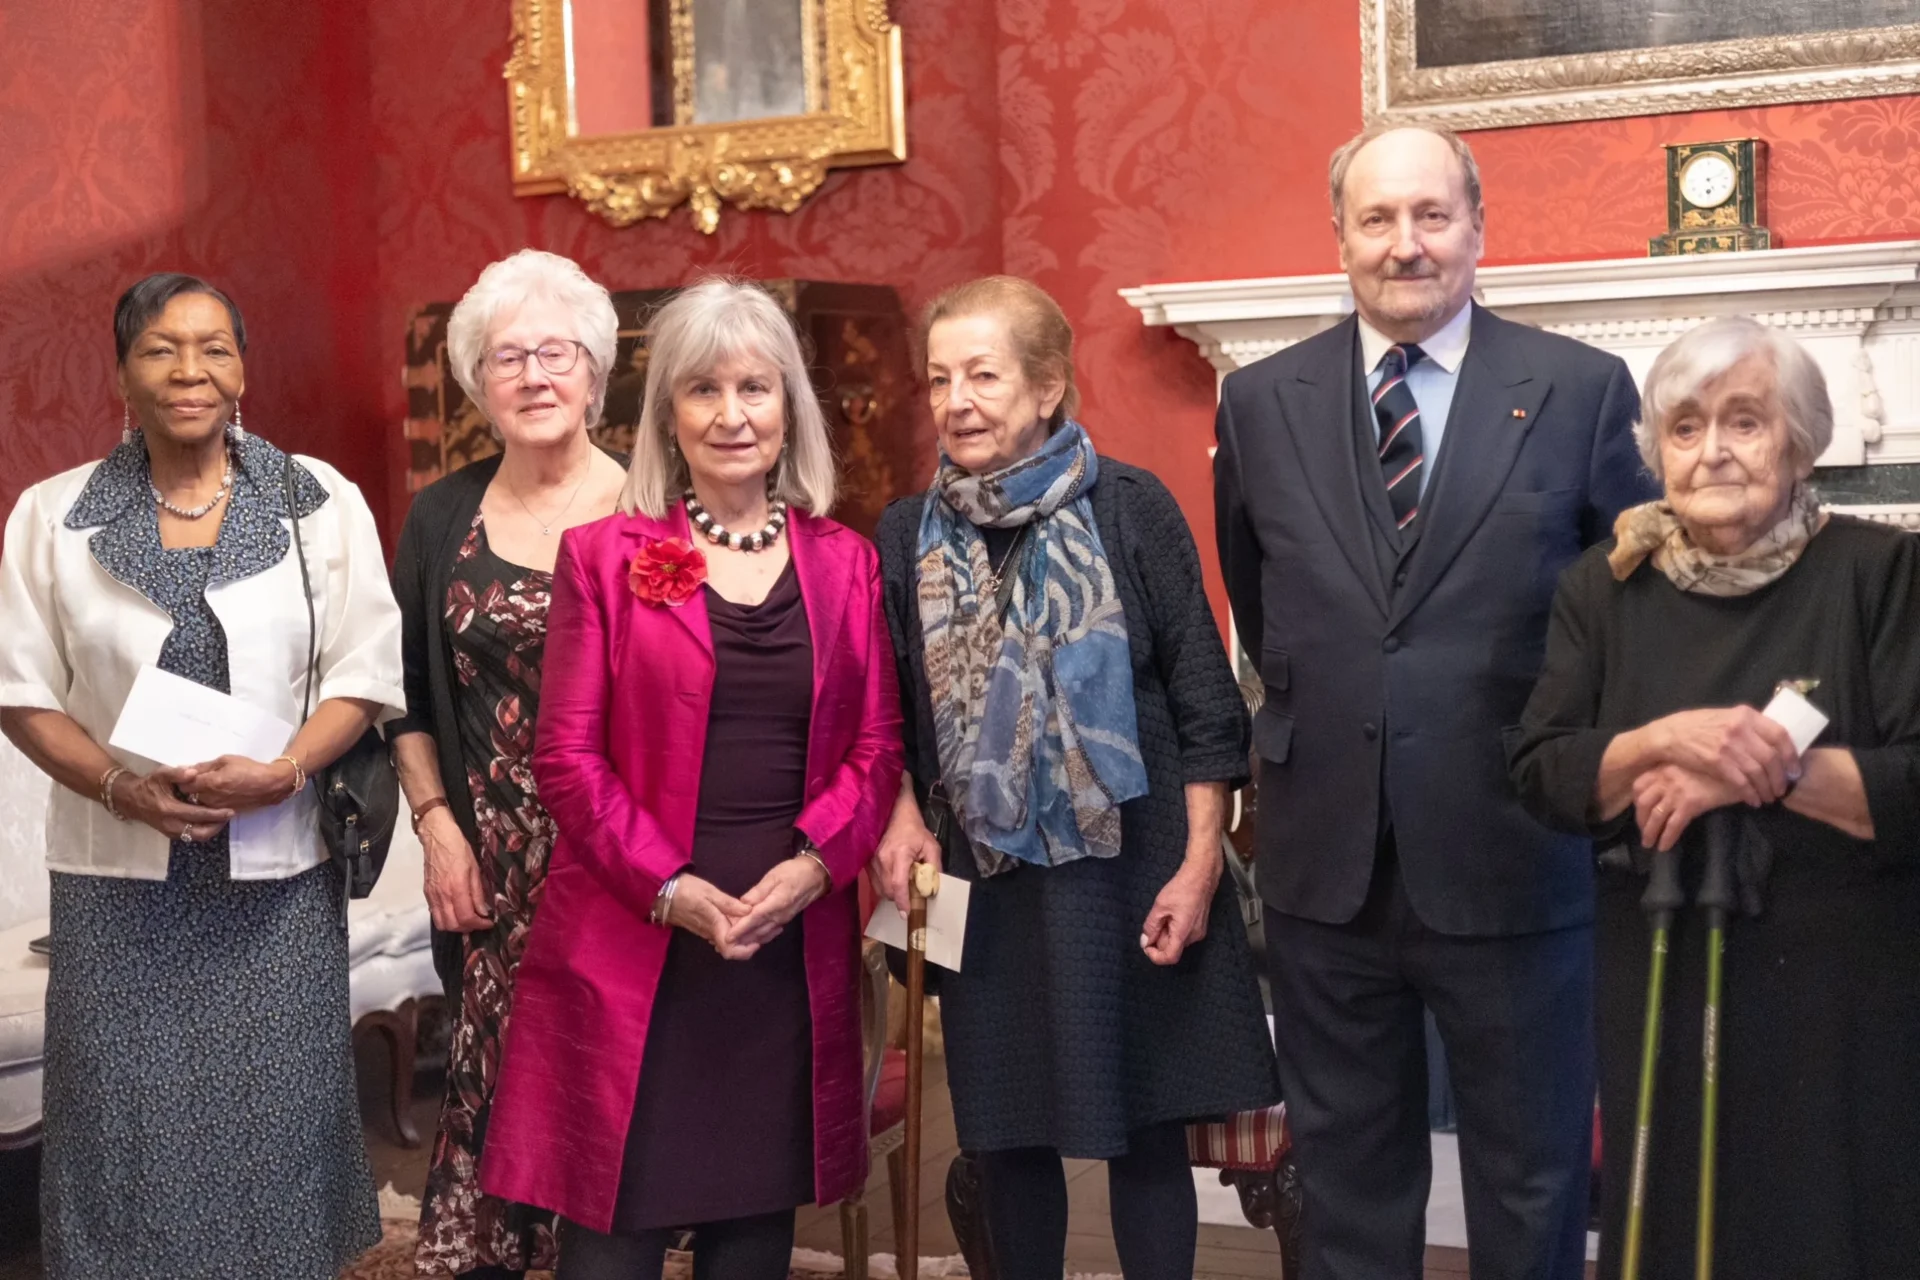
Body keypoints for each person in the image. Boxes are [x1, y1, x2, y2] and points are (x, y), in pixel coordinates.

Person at [1213, 124, 1658, 1279]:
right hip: (1326, 863)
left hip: (1514, 847)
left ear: (1476, 226)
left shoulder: (1578, 390)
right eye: (1376, 218)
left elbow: (1628, 617)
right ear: (1340, 236)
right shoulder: (1257, 401)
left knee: (1532, 1174)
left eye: (1430, 216)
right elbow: (1267, 615)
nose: (1404, 245)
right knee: (1349, 1177)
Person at [479, 278, 904, 1280]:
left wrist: (814, 869)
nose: (732, 413)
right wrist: (670, 888)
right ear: (666, 411)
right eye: (703, 389)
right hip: (640, 930)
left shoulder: (846, 560)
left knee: (750, 1228)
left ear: (789, 404)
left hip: (784, 941)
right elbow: (566, 758)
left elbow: (878, 744)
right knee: (612, 1235)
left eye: (755, 386)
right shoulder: (602, 555)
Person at [872, 275, 1279, 1280]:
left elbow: (1202, 701)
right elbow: (887, 716)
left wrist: (1198, 867)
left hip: (1134, 867)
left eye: (982, 374)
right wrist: (901, 820)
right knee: (1005, 1132)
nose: (956, 399)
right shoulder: (902, 533)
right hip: (983, 873)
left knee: (1146, 1127)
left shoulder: (1130, 505)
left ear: (1047, 386)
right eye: (938, 378)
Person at [0, 273, 403, 1277]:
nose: (191, 370)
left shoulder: (319, 503)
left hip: (276, 871)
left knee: (273, 1111)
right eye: (161, 348)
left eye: (215, 346)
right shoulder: (52, 517)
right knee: (120, 1124)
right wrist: (120, 790)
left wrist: (286, 770)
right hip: (115, 878)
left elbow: (364, 667)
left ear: (243, 369)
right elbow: (19, 687)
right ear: (123, 374)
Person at [1510, 316, 1920, 1280]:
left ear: (1802, 440)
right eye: (1686, 428)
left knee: (1840, 1216)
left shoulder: (1880, 573)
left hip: (1842, 982)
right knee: (1676, 1213)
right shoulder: (1603, 591)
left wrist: (1743, 770)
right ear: (1657, 453)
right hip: (1659, 953)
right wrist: (1664, 741)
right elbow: (1542, 769)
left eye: (1746, 421)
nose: (1715, 451)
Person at [393, 250, 630, 1279]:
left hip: (620, 855)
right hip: (488, 861)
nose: (534, 376)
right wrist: (436, 824)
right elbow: (397, 686)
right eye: (506, 359)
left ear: (594, 371)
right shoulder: (443, 517)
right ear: (477, 384)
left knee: (605, 1083)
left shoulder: (659, 505)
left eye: (555, 352)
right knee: (494, 1081)